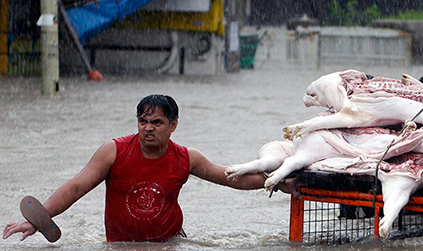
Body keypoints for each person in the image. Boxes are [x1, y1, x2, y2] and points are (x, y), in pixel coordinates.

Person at [4, 94, 297, 242]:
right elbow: (77, 186)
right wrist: (40, 218)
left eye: (156, 123)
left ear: (173, 125)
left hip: (170, 245)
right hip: (119, 247)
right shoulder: (114, 151)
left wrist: (275, 181)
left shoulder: (186, 157)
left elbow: (229, 178)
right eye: (143, 122)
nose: (148, 129)